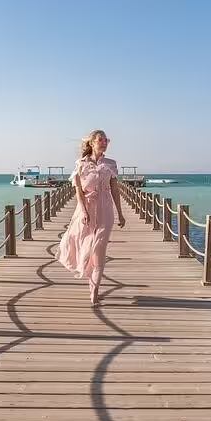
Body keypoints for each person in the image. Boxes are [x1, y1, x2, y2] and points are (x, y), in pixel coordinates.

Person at [55, 130, 126, 306]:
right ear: (92, 143)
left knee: (99, 248)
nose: (104, 142)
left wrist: (121, 213)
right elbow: (78, 190)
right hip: (86, 209)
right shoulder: (81, 164)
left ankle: (94, 291)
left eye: (106, 140)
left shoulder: (111, 164)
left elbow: (115, 190)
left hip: (105, 208)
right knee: (84, 245)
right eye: (100, 140)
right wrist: (84, 211)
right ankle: (89, 276)